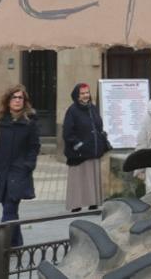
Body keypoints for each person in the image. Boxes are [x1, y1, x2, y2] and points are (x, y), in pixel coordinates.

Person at [0, 85, 40, 248]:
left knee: (10, 208)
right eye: (14, 97)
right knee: (9, 208)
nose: (18, 100)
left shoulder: (30, 122)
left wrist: (28, 165)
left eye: (21, 98)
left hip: (19, 172)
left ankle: (3, 244)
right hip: (1, 172)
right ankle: (16, 242)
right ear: (8, 101)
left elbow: (34, 146)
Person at [61, 83, 111, 212]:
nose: (85, 96)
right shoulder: (72, 111)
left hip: (93, 150)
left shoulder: (92, 108)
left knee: (92, 178)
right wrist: (78, 145)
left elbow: (99, 126)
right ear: (77, 96)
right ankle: (76, 204)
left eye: (87, 93)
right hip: (79, 153)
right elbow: (67, 132)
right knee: (78, 179)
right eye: (82, 93)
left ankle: (93, 203)